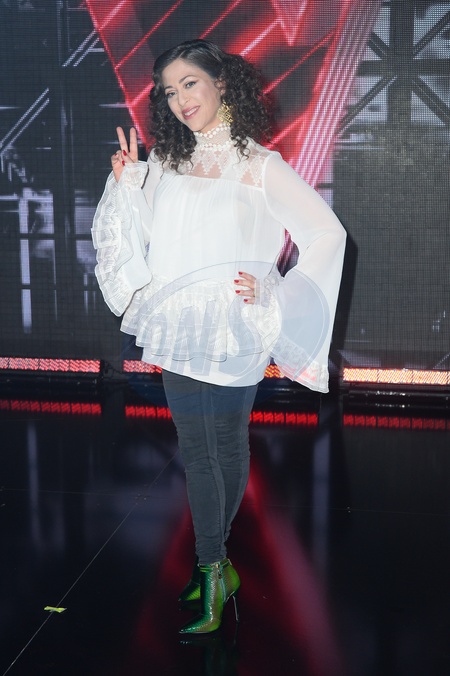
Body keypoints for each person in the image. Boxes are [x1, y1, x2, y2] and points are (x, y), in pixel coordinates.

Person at [92, 39, 346, 635]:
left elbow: (326, 234)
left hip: (236, 323)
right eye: (169, 91)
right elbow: (149, 238)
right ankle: (214, 567)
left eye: (190, 84)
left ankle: (213, 565)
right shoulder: (166, 162)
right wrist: (129, 185)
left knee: (226, 447)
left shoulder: (261, 165)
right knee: (198, 452)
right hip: (179, 321)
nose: (181, 99)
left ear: (222, 84)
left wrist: (277, 292)